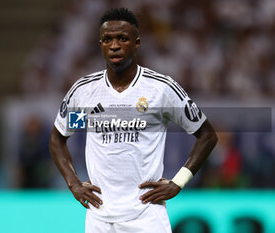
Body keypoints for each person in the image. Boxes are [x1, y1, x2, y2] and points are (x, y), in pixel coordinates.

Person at [49, 8, 218, 233]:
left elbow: (206, 135)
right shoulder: (86, 93)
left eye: (122, 38)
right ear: (100, 44)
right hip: (100, 218)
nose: (115, 45)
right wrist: (74, 184)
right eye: (107, 39)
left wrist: (178, 182)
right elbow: (58, 139)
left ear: (136, 43)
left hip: (147, 217)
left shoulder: (160, 90)